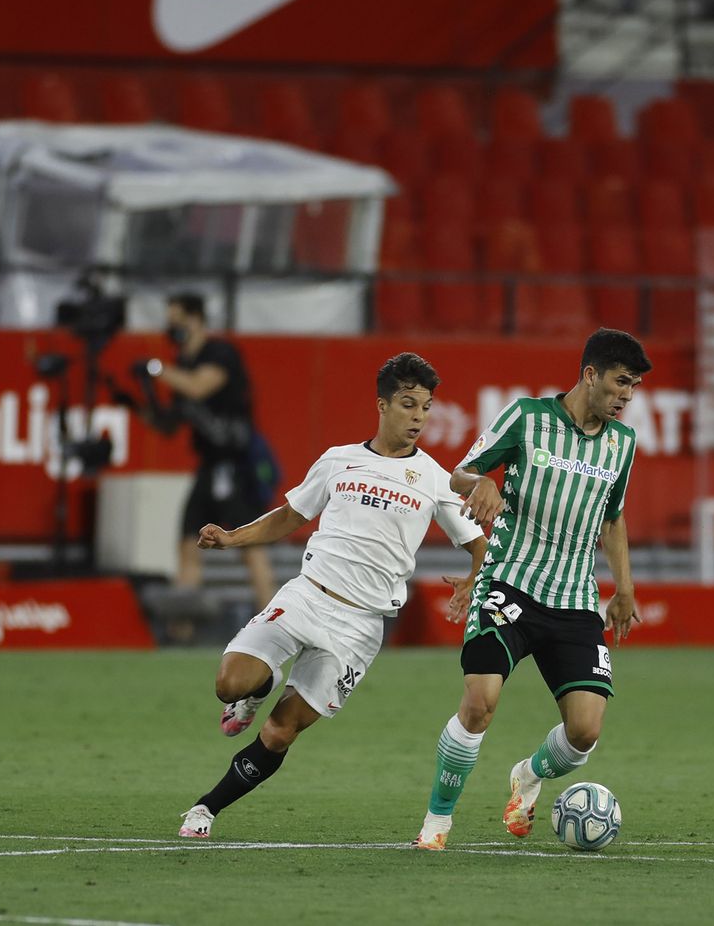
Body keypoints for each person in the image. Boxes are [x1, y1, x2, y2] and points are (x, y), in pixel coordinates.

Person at [177, 352, 487, 839]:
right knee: (229, 683)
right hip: (307, 595)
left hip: (358, 628)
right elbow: (290, 514)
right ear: (382, 405)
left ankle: (204, 809)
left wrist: (474, 579)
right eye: (408, 405)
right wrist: (233, 537)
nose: (419, 417)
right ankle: (255, 691)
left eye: (426, 408)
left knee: (280, 732)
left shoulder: (434, 478)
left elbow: (478, 543)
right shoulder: (339, 459)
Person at [411, 327, 650, 851]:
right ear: (590, 375)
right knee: (480, 700)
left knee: (585, 731)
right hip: (510, 583)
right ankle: (437, 821)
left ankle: (530, 775)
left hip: (574, 600)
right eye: (620, 383)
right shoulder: (527, 418)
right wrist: (485, 482)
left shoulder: (622, 444)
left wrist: (625, 588)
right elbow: (459, 475)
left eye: (632, 387)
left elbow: (612, 519)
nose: (627, 396)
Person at [133, 293, 277, 619]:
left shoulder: (220, 353)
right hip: (208, 466)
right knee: (188, 541)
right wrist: (135, 399)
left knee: (250, 546)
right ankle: (184, 626)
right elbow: (170, 424)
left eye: (177, 321)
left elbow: (199, 387)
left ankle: (272, 622)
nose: (172, 329)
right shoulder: (181, 366)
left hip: (237, 466)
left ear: (196, 319)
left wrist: (156, 369)